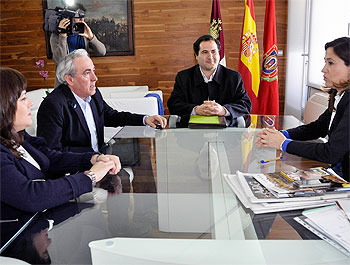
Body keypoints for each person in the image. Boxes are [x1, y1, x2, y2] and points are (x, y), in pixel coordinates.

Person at [0, 67, 122, 213]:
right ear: (4, 106)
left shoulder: (18, 135)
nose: (30, 103)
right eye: (24, 98)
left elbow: (50, 157)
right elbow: (31, 197)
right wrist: (90, 177)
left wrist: (93, 158)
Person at [37, 49, 167, 153]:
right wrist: (94, 159)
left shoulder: (93, 94)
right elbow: (51, 151)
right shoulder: (53, 105)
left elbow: (111, 116)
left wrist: (144, 119)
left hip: (99, 157)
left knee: (142, 155)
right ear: (70, 79)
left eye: (93, 70)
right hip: (76, 168)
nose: (95, 78)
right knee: (120, 180)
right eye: (87, 73)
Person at [256, 37, 350, 181]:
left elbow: (331, 152)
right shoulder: (339, 95)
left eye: (330, 63)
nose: (323, 69)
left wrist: (282, 143)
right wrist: (282, 134)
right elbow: (318, 128)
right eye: (325, 62)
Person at [167, 34, 251, 125]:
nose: (210, 56)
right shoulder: (184, 77)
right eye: (205, 52)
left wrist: (223, 110)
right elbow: (173, 104)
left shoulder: (233, 77)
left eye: (214, 51)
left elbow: (245, 104)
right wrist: (196, 110)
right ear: (196, 56)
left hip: (226, 131)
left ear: (219, 54)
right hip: (191, 131)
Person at [50, 3, 106, 87]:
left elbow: (102, 52)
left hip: (84, 82)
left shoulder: (83, 33)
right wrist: (63, 36)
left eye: (83, 16)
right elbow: (60, 61)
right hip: (64, 84)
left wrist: (91, 37)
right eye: (78, 16)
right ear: (69, 17)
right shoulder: (56, 36)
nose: (82, 19)